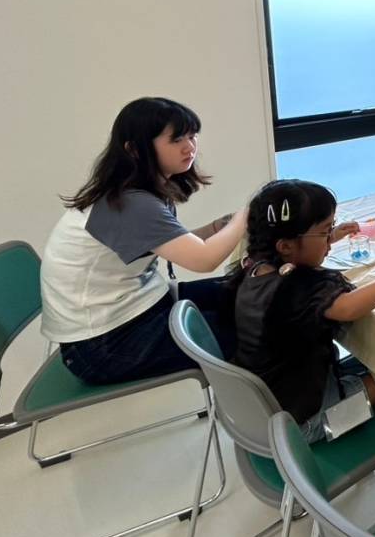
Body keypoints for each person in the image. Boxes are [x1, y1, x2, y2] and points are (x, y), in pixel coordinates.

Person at [42, 97, 248, 385]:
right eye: (177, 140)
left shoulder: (137, 191)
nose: (190, 147)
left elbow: (172, 243)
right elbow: (203, 259)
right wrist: (246, 215)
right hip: (104, 345)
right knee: (255, 327)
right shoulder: (129, 204)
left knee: (248, 292)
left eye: (192, 136)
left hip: (138, 309)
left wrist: (217, 227)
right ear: (135, 149)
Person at [233, 179, 375, 442]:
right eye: (324, 232)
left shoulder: (256, 267)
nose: (329, 239)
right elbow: (349, 307)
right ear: (286, 246)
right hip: (305, 424)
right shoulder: (296, 290)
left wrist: (328, 238)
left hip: (269, 406)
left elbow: (302, 263)